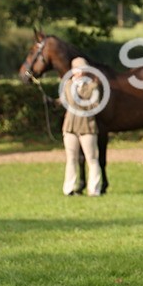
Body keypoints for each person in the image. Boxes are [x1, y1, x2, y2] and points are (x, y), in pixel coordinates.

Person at [61, 57, 103, 196]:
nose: (79, 72)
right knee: (71, 159)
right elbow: (69, 102)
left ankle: (94, 189)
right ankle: (69, 189)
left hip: (87, 127)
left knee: (92, 158)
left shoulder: (93, 86)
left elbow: (94, 105)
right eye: (77, 69)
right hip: (70, 127)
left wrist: (82, 103)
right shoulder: (67, 85)